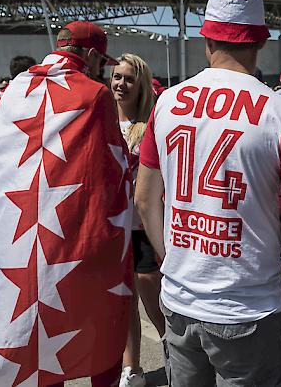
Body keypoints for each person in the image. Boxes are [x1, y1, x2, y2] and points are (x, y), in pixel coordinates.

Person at [135, 0, 281, 386]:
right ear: (259, 43)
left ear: (207, 40)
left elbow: (144, 200)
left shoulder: (167, 103)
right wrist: (277, 227)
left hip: (179, 298)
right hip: (249, 307)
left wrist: (171, 257)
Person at [0, 20, 134, 387]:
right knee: (100, 313)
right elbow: (109, 168)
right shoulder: (95, 94)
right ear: (89, 54)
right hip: (75, 227)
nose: (101, 68)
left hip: (20, 224)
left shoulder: (15, 90)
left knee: (36, 321)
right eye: (101, 61)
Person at [111, 53, 164, 387]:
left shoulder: (154, 123)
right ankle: (133, 369)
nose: (120, 84)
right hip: (111, 227)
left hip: (145, 225)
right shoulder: (100, 122)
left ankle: (176, 348)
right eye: (117, 76)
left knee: (151, 293)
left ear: (141, 85)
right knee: (122, 300)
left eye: (129, 79)